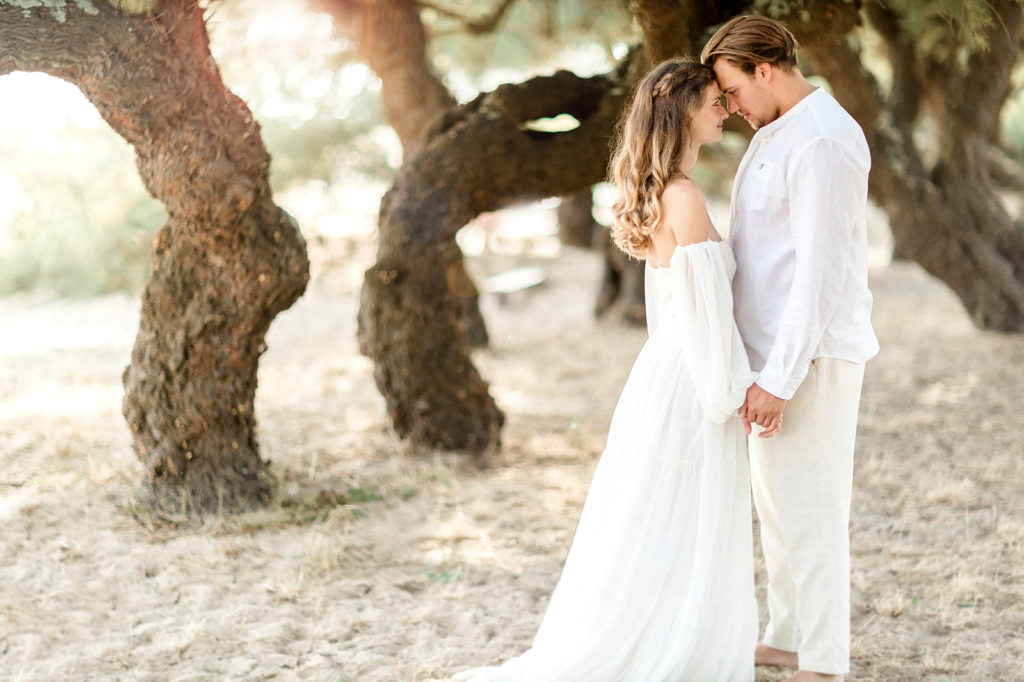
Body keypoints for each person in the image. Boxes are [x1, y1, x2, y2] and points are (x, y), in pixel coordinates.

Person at [453, 59, 761, 682]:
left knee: (658, 513)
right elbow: (707, 315)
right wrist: (736, 390)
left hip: (663, 370)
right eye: (712, 102)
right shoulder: (685, 197)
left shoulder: (657, 193)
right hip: (695, 376)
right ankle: (674, 643)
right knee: (685, 511)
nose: (724, 110)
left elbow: (670, 309)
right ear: (680, 113)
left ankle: (669, 631)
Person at [701, 15, 880, 682]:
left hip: (810, 358)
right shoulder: (778, 131)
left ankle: (826, 660)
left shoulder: (825, 140)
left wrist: (780, 377)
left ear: (765, 70)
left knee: (812, 509)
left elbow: (820, 273)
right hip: (770, 357)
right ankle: (788, 635)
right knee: (777, 508)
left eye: (732, 90)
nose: (730, 106)